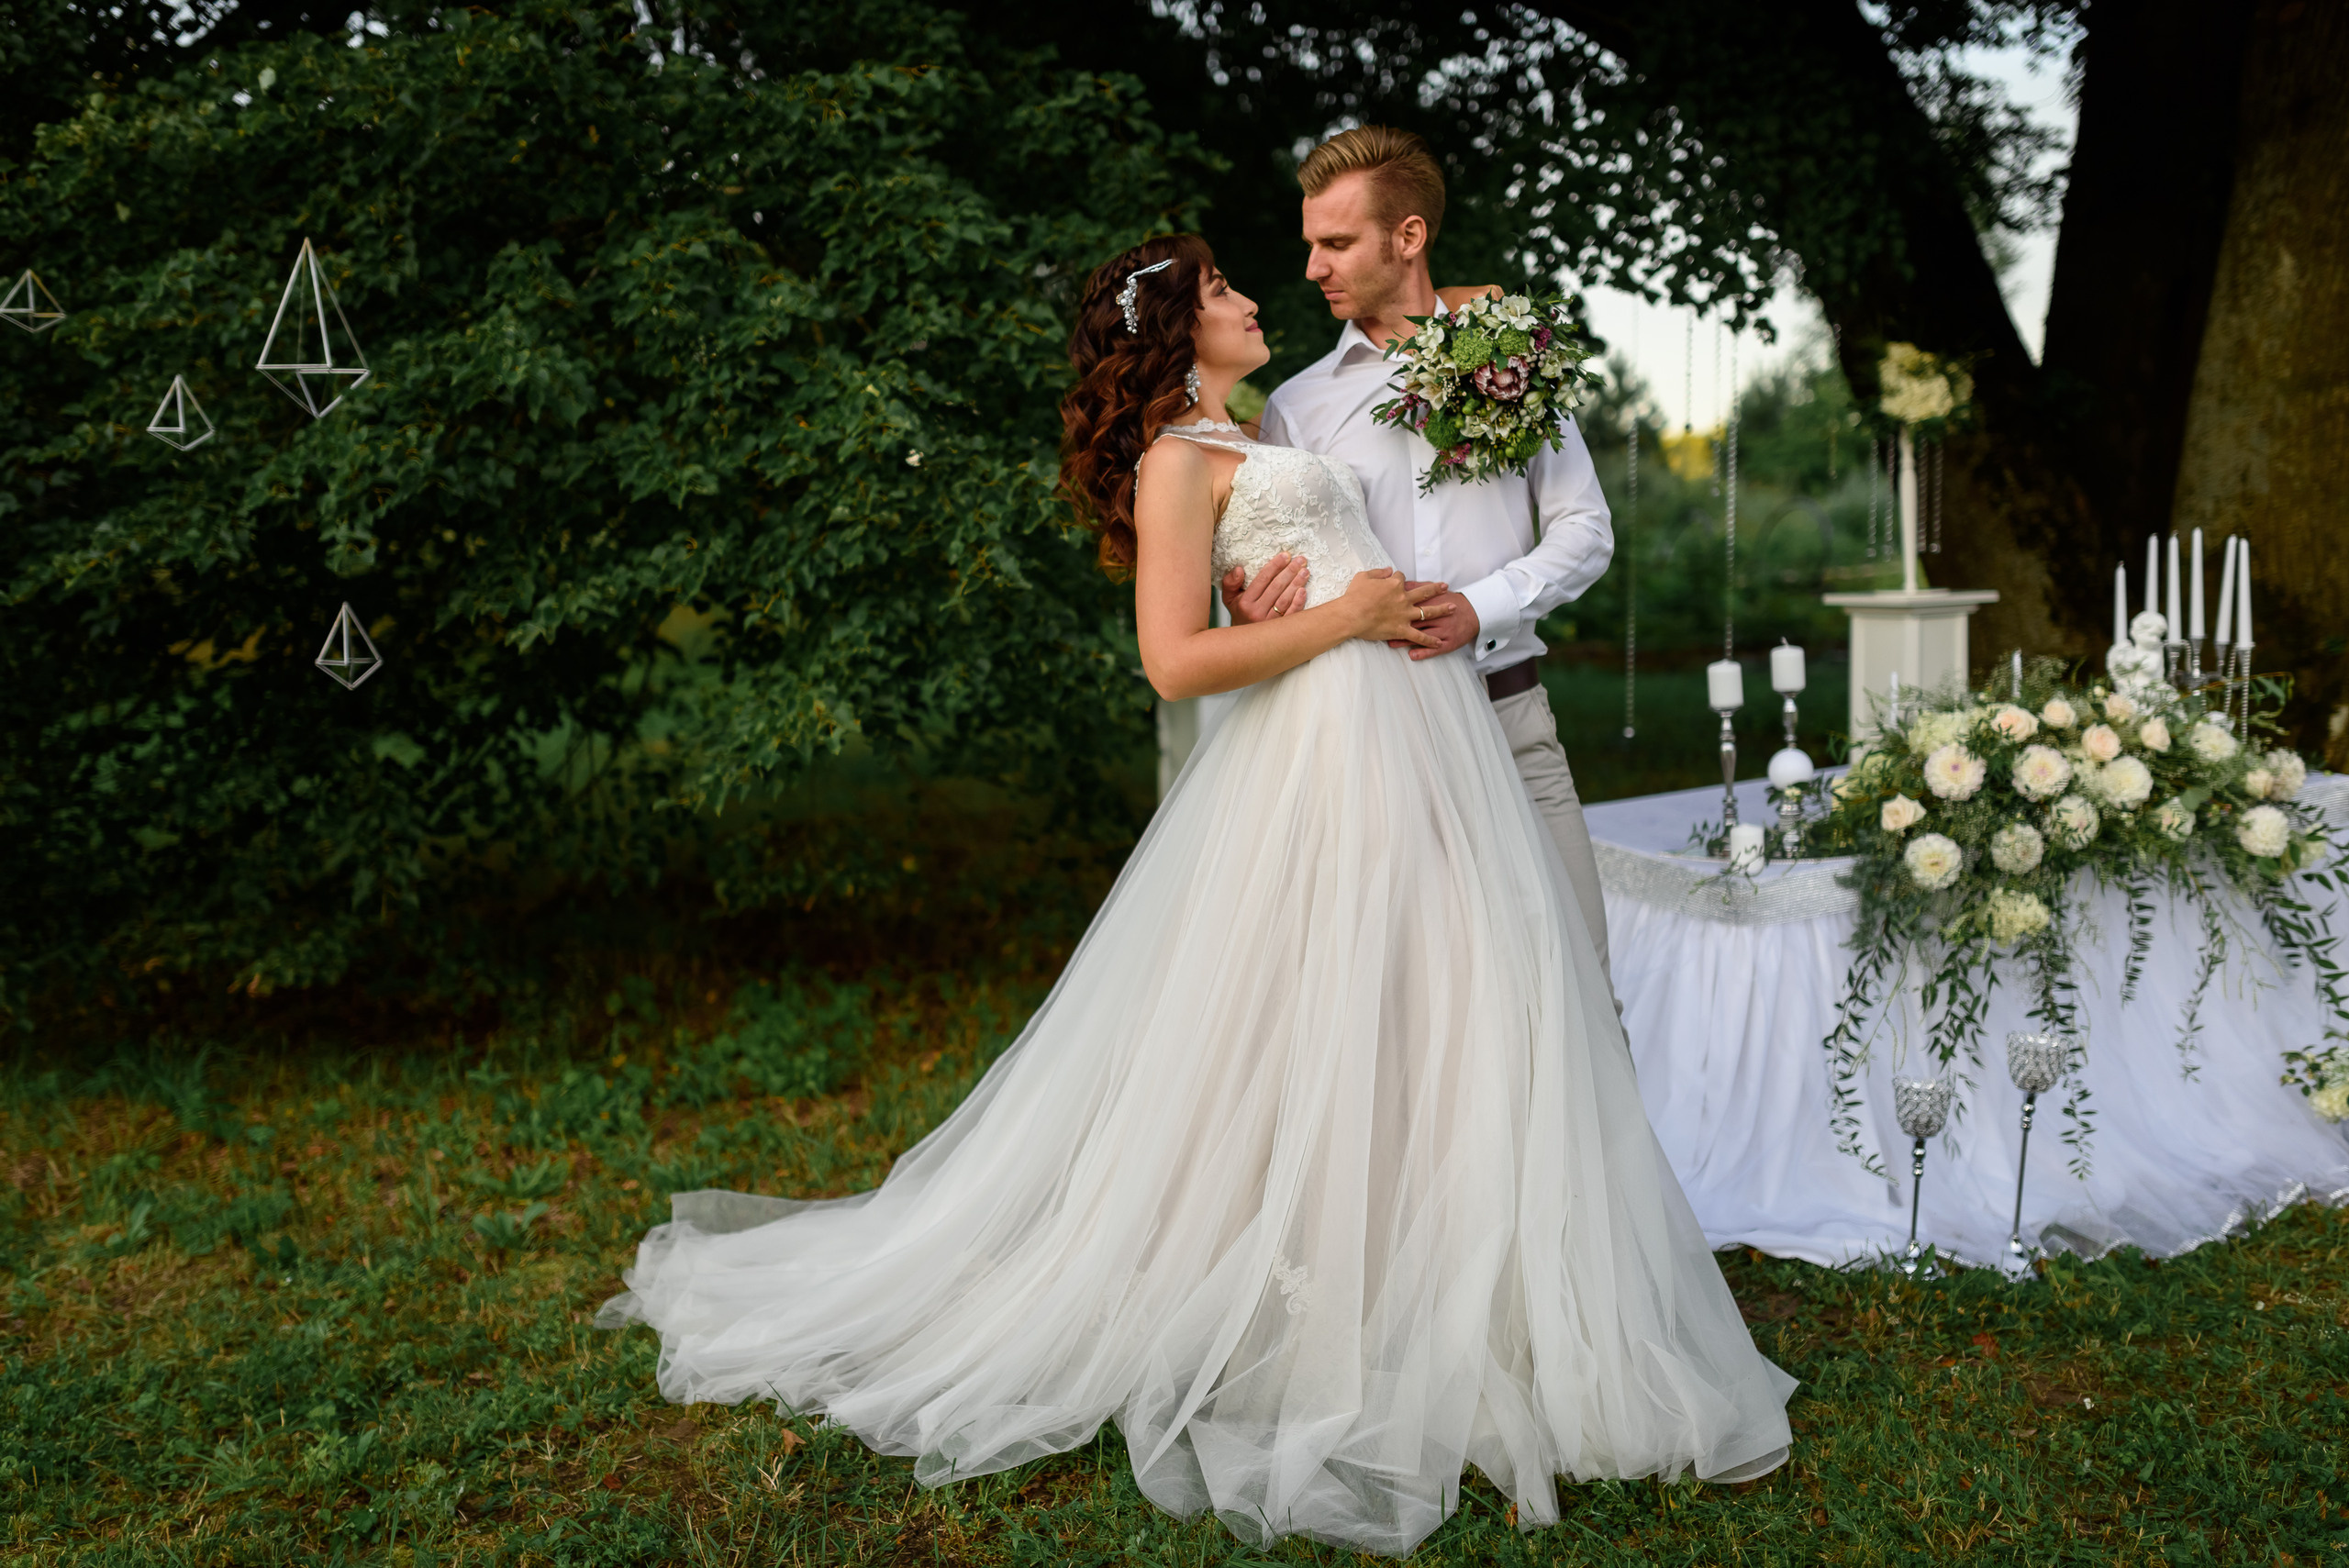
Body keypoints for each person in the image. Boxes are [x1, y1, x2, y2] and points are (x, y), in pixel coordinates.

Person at [599, 234, 1796, 1558]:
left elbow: (1281, 583)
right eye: (1225, 291)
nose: (1253, 298)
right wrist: (1328, 619)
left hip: (1410, 740)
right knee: (1327, 1022)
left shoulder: (1254, 433)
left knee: (1449, 1007)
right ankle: (1320, 1310)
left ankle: (1471, 1295)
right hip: (1331, 755)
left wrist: (1312, 582)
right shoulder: (1181, 459)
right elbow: (1174, 662)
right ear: (1178, 335)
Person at [1230, 125, 1620, 1001]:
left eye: (1336, 244)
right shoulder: (1298, 406)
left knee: (1579, 998)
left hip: (1513, 726)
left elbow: (1585, 527)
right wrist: (1256, 613)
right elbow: (1279, 585)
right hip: (1375, 753)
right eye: (1310, 246)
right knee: (1415, 1023)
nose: (1313, 268)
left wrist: (1485, 605)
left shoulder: (1516, 363)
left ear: (1408, 237)